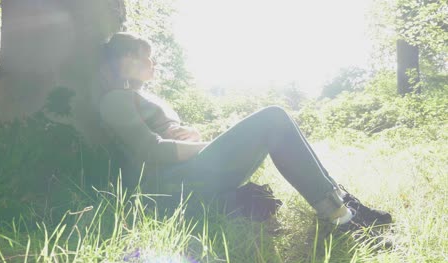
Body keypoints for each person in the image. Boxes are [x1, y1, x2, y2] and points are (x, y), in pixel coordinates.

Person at [97, 32, 392, 234]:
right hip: (174, 187)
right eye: (147, 57)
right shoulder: (115, 99)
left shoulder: (143, 97)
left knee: (277, 121)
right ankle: (340, 217)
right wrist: (210, 145)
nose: (153, 63)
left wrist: (191, 137)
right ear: (126, 59)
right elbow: (154, 151)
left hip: (189, 172)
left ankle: (343, 202)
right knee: (273, 118)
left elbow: (167, 140)